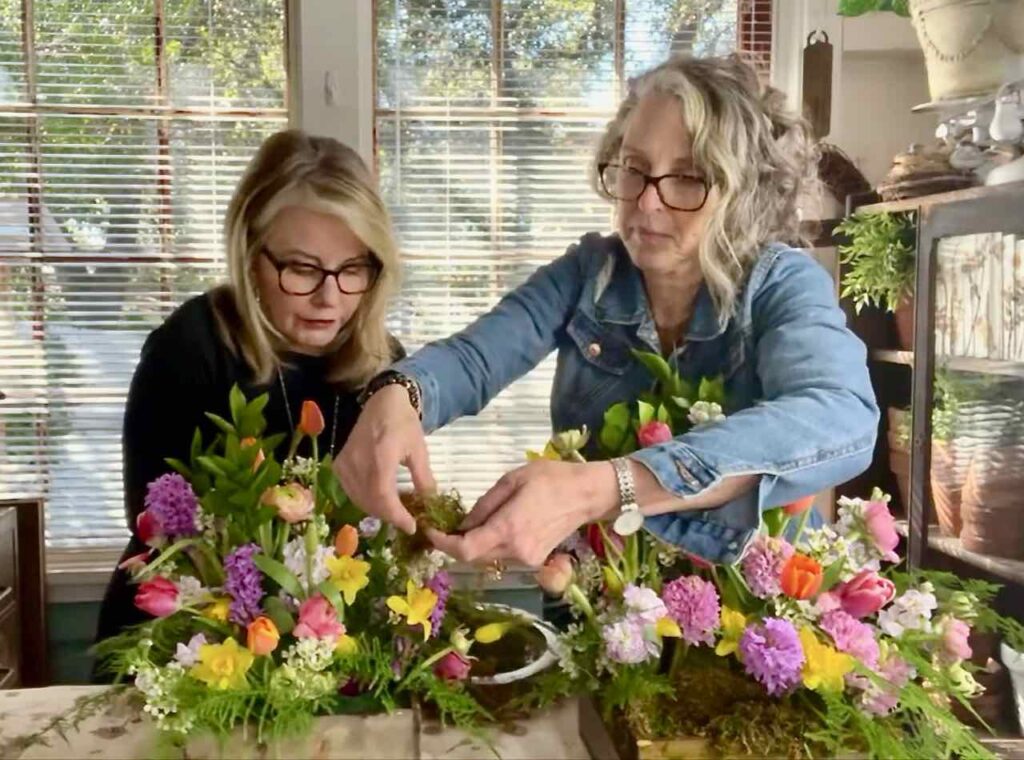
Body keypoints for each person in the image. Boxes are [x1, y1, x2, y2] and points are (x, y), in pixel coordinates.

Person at [337, 54, 879, 569]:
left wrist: (607, 487)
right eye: (634, 170)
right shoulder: (587, 274)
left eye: (688, 178)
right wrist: (398, 395)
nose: (645, 202)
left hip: (752, 616)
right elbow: (474, 358)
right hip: (596, 606)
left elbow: (840, 413)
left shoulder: (780, 282)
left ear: (744, 196)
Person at [94, 130, 402, 652]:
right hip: (185, 637)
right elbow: (153, 526)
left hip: (321, 640)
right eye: (303, 269)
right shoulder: (189, 349)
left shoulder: (385, 367)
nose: (330, 296)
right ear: (250, 253)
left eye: (353, 269)